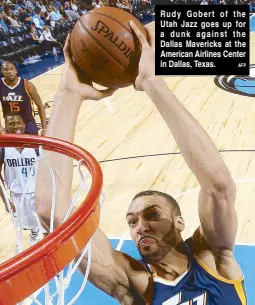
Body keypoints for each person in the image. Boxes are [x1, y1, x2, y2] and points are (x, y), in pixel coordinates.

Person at [35, 22, 247, 305]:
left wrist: (152, 83)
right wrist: (68, 95)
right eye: (131, 221)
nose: (140, 227)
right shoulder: (134, 284)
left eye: (153, 215)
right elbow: (52, 213)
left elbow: (219, 185)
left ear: (180, 222)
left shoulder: (215, 260)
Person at [0, 113, 43, 247]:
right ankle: (35, 232)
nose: (16, 126)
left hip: (37, 193)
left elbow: (47, 171)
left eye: (18, 122)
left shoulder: (35, 145)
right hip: (17, 194)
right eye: (11, 124)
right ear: (6, 128)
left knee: (46, 228)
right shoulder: (3, 149)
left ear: (24, 125)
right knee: (26, 225)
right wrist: (5, 200)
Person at [0, 61, 46, 135]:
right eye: (6, 69)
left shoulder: (27, 85)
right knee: (12, 146)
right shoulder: (1, 85)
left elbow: (40, 106)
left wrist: (44, 128)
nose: (9, 71)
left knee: (34, 146)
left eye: (11, 69)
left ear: (16, 71)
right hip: (10, 125)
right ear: (2, 71)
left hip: (28, 123)